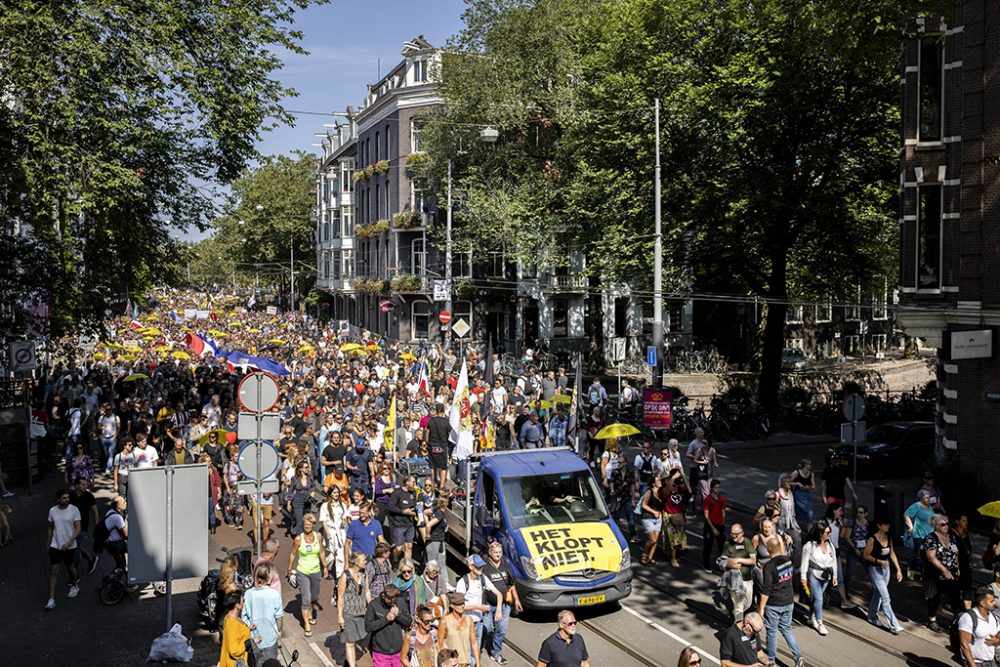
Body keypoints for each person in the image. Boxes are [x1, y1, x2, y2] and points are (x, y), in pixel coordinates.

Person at [756, 537, 804, 667]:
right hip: (788, 601)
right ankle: (798, 656)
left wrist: (761, 608)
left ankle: (771, 659)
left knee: (771, 631)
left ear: (768, 550)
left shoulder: (769, 566)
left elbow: (766, 590)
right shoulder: (788, 561)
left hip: (774, 604)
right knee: (787, 629)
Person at [286, 512, 327, 637]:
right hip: (302, 571)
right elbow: (293, 554)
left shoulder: (318, 536)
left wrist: (325, 567)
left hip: (315, 571)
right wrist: (289, 569)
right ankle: (306, 625)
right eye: (305, 524)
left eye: (309, 525)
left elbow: (321, 552)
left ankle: (309, 613)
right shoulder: (298, 539)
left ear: (313, 525)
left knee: (314, 598)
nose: (307, 526)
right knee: (306, 599)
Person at [483, 540, 522, 665]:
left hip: (504, 605)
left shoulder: (505, 564)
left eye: (500, 552)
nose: (498, 555)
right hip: (488, 605)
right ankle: (481, 644)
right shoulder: (485, 567)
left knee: (501, 631)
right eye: (495, 552)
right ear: (490, 553)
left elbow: (511, 584)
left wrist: (517, 600)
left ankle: (496, 653)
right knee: (487, 629)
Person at [456, 554, 501, 658]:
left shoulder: (483, 579)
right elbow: (459, 607)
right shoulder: (462, 583)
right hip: (465, 622)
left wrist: (499, 609)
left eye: (482, 566)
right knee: (465, 653)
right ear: (471, 567)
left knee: (475, 652)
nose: (481, 569)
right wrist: (479, 607)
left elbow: (498, 594)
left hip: (478, 623)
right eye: (478, 566)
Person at [864, 517, 903, 633]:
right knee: (886, 597)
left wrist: (898, 569)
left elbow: (892, 554)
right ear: (879, 526)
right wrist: (879, 561)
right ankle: (894, 624)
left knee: (879, 593)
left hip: (886, 570)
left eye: (888, 524)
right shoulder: (872, 539)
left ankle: (871, 615)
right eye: (885, 524)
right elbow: (865, 555)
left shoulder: (888, 538)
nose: (888, 526)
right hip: (875, 570)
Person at [924, 512, 961, 632]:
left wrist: (957, 567)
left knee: (955, 597)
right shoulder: (930, 538)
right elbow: (931, 557)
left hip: (952, 573)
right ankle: (932, 620)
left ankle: (958, 621)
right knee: (935, 597)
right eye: (943, 525)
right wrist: (944, 570)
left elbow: (955, 553)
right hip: (936, 574)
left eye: (947, 524)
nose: (946, 527)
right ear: (936, 526)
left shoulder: (951, 536)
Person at [45, 488, 82, 610]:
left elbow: (78, 528)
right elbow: (50, 527)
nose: (66, 500)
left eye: (67, 498)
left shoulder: (74, 510)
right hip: (56, 545)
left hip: (69, 545)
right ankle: (51, 598)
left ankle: (75, 585)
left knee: (70, 567)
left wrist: (69, 542)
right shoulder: (52, 511)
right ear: (58, 499)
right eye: (64, 498)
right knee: (54, 570)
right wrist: (49, 542)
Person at [801, 520, 838, 636]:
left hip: (826, 576)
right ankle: (820, 622)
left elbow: (834, 561)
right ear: (820, 533)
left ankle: (811, 616)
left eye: (830, 532)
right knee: (819, 599)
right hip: (814, 575)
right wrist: (803, 577)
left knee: (817, 598)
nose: (829, 534)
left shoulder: (830, 545)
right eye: (827, 532)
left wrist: (835, 576)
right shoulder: (810, 546)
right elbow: (804, 562)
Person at [241, 562, 284, 662]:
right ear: (268, 577)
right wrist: (279, 631)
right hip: (270, 638)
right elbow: (279, 618)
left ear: (256, 576)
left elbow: (244, 618)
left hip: (254, 638)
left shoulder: (248, 594)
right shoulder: (274, 594)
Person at [338, 552, 372, 667]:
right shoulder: (345, 576)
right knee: (350, 642)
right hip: (349, 613)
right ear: (357, 563)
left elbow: (367, 591)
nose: (366, 562)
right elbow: (340, 597)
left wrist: (371, 607)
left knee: (363, 635)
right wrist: (340, 616)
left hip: (362, 612)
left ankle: (349, 660)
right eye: (363, 560)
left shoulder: (364, 574)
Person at [366, 583, 413, 667]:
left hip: (399, 651)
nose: (393, 602)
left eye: (395, 599)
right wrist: (386, 620)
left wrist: (398, 615)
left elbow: (409, 622)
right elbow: (368, 627)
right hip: (381, 652)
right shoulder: (373, 605)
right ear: (384, 596)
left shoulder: (400, 601)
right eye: (390, 599)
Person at [721, 522, 756, 622]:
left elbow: (753, 560)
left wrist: (738, 560)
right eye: (732, 533)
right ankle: (738, 628)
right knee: (739, 606)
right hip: (734, 580)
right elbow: (723, 561)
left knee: (748, 603)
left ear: (742, 533)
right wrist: (731, 564)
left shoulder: (747, 542)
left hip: (747, 579)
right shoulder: (728, 544)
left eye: (736, 534)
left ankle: (734, 613)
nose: (733, 536)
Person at [958, 586, 1000, 667]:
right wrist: (973, 665)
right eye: (991, 601)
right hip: (976, 662)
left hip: (991, 662)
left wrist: (997, 639)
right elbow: (964, 645)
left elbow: (998, 632)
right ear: (982, 603)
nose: (994, 603)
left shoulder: (993, 617)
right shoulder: (968, 618)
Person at [439, 592, 479, 667]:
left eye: (463, 603)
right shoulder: (444, 621)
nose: (462, 606)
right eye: (459, 604)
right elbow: (440, 645)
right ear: (452, 605)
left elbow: (474, 643)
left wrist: (478, 663)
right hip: (451, 664)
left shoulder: (469, 620)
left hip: (466, 663)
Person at [904, 488, 936, 580]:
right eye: (926, 497)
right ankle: (911, 567)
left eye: (929, 497)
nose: (929, 499)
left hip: (929, 536)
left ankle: (924, 575)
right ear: (921, 498)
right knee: (920, 556)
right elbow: (906, 515)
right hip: (919, 535)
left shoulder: (930, 507)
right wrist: (910, 527)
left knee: (928, 556)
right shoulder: (917, 506)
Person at [69, 475, 99, 574]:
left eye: (86, 484)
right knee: (73, 546)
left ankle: (75, 572)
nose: (85, 486)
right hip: (70, 527)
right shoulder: (70, 496)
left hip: (83, 527)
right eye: (83, 484)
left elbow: (95, 512)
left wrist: (96, 526)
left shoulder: (89, 496)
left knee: (76, 550)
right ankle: (91, 558)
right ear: (76, 485)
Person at [387, 474, 418, 562]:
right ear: (407, 482)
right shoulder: (397, 493)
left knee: (409, 546)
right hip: (399, 525)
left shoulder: (413, 493)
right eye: (413, 482)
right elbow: (390, 507)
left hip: (410, 524)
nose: (414, 485)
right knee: (399, 548)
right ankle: (396, 560)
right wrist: (403, 512)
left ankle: (408, 564)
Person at [219, 590, 252, 667]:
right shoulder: (231, 623)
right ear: (237, 605)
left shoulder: (233, 617)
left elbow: (238, 633)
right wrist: (250, 642)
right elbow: (234, 650)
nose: (243, 603)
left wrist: (248, 629)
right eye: (242, 601)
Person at [703, 479, 728, 572]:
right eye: (716, 488)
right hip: (710, 525)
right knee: (708, 545)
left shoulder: (722, 499)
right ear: (712, 489)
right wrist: (713, 528)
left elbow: (723, 512)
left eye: (719, 488)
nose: (718, 490)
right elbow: (706, 515)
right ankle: (706, 563)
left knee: (722, 546)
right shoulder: (708, 500)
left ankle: (722, 564)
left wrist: (722, 524)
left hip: (719, 524)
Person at [639, 473, 663, 565]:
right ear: (653, 483)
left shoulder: (660, 493)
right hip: (648, 518)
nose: (660, 482)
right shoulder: (649, 491)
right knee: (651, 540)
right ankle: (644, 554)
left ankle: (650, 557)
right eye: (658, 480)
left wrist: (661, 514)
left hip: (658, 519)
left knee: (656, 541)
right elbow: (644, 505)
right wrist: (654, 512)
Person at [426, 403, 451, 489]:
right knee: (443, 466)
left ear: (436, 411)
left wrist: (427, 443)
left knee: (434, 465)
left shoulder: (431, 420)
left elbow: (427, 433)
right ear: (443, 411)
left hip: (432, 445)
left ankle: (435, 481)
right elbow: (450, 434)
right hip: (443, 446)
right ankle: (442, 485)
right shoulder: (446, 422)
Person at [789, 459, 815, 531]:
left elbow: (813, 485)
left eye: (810, 464)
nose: (810, 466)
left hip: (807, 495)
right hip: (798, 495)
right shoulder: (796, 473)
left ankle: (810, 534)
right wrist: (797, 483)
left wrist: (808, 486)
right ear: (804, 465)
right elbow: (788, 482)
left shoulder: (811, 474)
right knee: (798, 514)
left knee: (810, 514)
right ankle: (797, 530)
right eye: (808, 464)